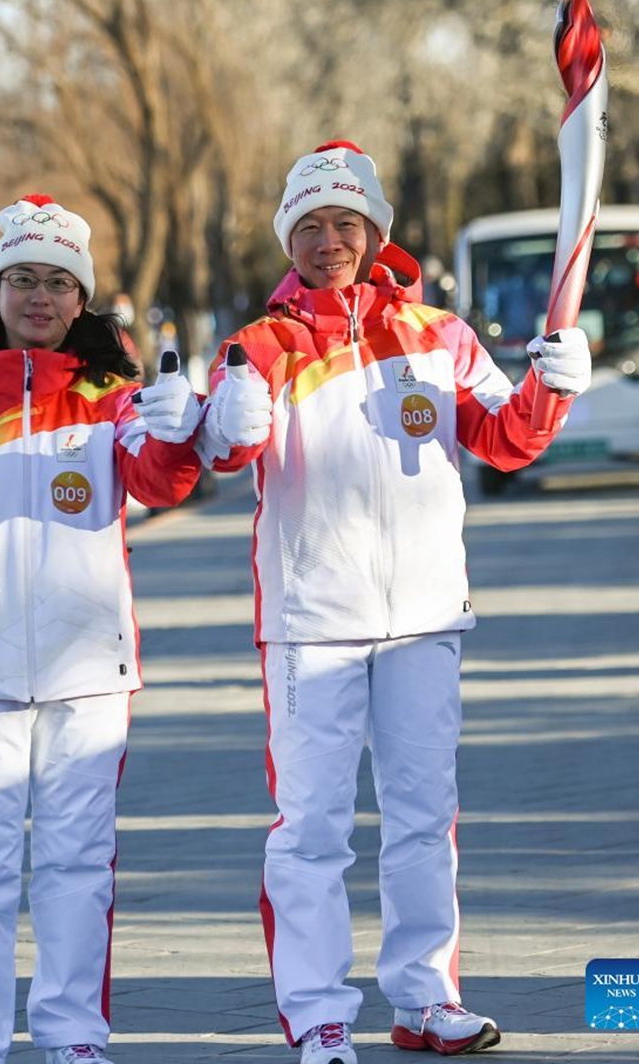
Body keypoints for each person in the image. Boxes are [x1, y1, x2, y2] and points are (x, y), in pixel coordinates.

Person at [188, 141, 591, 1060]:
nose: (330, 241)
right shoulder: (262, 344)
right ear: (290, 238)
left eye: (346, 224)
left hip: (422, 617)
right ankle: (320, 1015)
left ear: (373, 232)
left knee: (422, 816)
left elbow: (506, 439)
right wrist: (227, 422)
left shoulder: (439, 334)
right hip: (310, 627)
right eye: (312, 226)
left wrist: (552, 388)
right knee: (313, 829)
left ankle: (425, 998)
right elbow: (214, 455)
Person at [0, 194, 204, 1064]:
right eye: (22, 279)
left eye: (59, 283)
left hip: (88, 670)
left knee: (76, 871)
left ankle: (73, 1038)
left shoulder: (113, 400)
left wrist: (181, 430)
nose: (40, 297)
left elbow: (161, 483)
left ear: (81, 300)